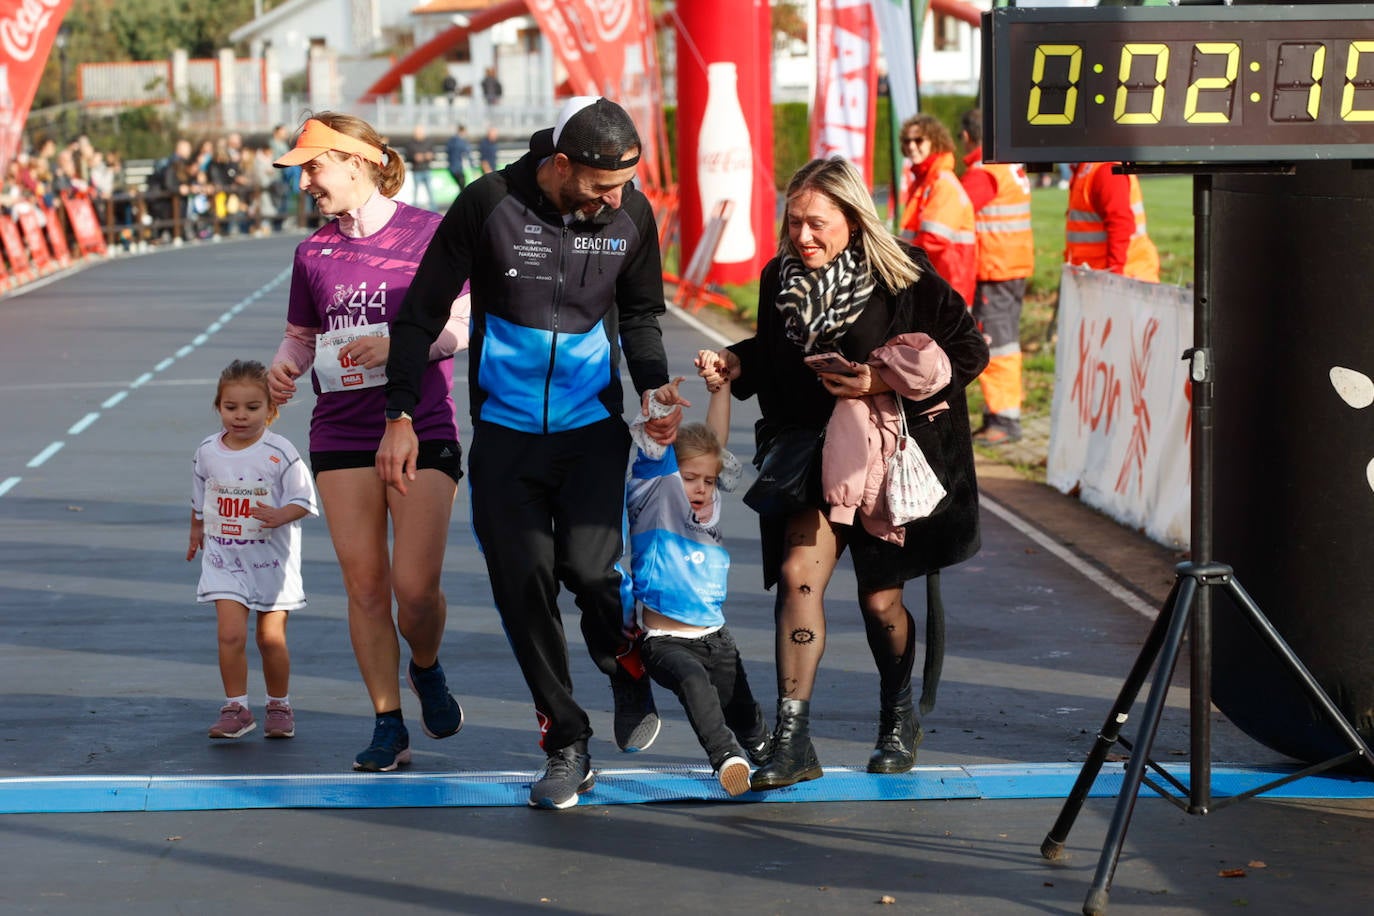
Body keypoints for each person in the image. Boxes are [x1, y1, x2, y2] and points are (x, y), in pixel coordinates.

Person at [379, 96, 679, 810]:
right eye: (605, 187)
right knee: (525, 587)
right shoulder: (487, 204)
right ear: (563, 165)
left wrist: (655, 390)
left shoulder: (631, 216)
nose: (619, 199)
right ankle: (565, 742)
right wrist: (398, 414)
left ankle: (624, 663)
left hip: (591, 427)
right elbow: (420, 313)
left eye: (625, 186)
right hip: (507, 435)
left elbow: (639, 315)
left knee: (589, 570)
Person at [700, 156, 989, 791]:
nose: (803, 237)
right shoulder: (780, 276)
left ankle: (897, 714)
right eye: (794, 222)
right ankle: (793, 736)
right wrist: (733, 362)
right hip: (810, 457)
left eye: (818, 224)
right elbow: (774, 358)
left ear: (853, 221)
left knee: (880, 598)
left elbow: (970, 351)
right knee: (798, 576)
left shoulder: (904, 272)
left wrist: (877, 379)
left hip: (887, 462)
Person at [268, 112, 472, 772]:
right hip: (341, 431)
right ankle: (388, 721)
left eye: (313, 167)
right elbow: (302, 334)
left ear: (356, 162)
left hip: (420, 422)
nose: (305, 183)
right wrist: (283, 367)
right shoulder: (312, 253)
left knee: (415, 590)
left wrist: (399, 344)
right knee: (364, 588)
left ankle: (426, 663)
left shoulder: (431, 234)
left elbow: (463, 324)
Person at [630, 357, 771, 797]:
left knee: (744, 710)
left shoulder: (708, 501)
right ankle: (726, 757)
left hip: (716, 635)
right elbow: (655, 448)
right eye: (690, 478)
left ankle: (765, 750)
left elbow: (715, 442)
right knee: (694, 684)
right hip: (664, 639)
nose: (700, 489)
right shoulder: (656, 492)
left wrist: (722, 389)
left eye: (707, 481)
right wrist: (658, 408)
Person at [188, 359, 319, 741]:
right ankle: (237, 707)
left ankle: (279, 704)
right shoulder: (208, 452)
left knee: (269, 638)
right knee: (229, 635)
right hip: (224, 558)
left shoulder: (281, 453)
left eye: (252, 408)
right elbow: (200, 501)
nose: (240, 417)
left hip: (271, 562)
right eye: (231, 408)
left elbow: (304, 501)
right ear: (218, 406)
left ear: (270, 410)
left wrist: (280, 514)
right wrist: (195, 531)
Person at [959, 108, 1035, 446]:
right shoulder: (1007, 164)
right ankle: (1000, 415)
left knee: (998, 345)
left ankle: (1004, 419)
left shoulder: (984, 172)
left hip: (995, 268)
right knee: (1004, 342)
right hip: (1011, 265)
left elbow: (956, 210)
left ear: (967, 136)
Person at [897, 114, 976, 308]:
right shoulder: (924, 181)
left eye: (918, 140)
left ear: (935, 141)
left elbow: (934, 240)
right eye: (907, 140)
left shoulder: (942, 183)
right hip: (933, 282)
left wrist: (894, 256)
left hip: (948, 285)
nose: (911, 146)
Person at [1065, 161, 1161, 282]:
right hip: (1097, 281)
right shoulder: (1088, 168)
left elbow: (1120, 226)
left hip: (1124, 282)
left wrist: (1114, 280)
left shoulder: (1105, 170)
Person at [405, 124, 436, 209]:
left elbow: (434, 154)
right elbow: (407, 157)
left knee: (430, 191)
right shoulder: (410, 143)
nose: (420, 134)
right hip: (416, 170)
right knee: (415, 192)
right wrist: (414, 157)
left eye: (421, 132)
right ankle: (414, 209)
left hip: (427, 169)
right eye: (418, 132)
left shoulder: (429, 141)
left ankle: (434, 209)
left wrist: (430, 156)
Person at [446, 124, 472, 192]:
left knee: (461, 187)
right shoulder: (462, 142)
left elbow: (447, 151)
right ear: (463, 131)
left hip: (451, 167)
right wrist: (473, 166)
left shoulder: (451, 140)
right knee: (463, 188)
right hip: (458, 168)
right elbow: (468, 153)